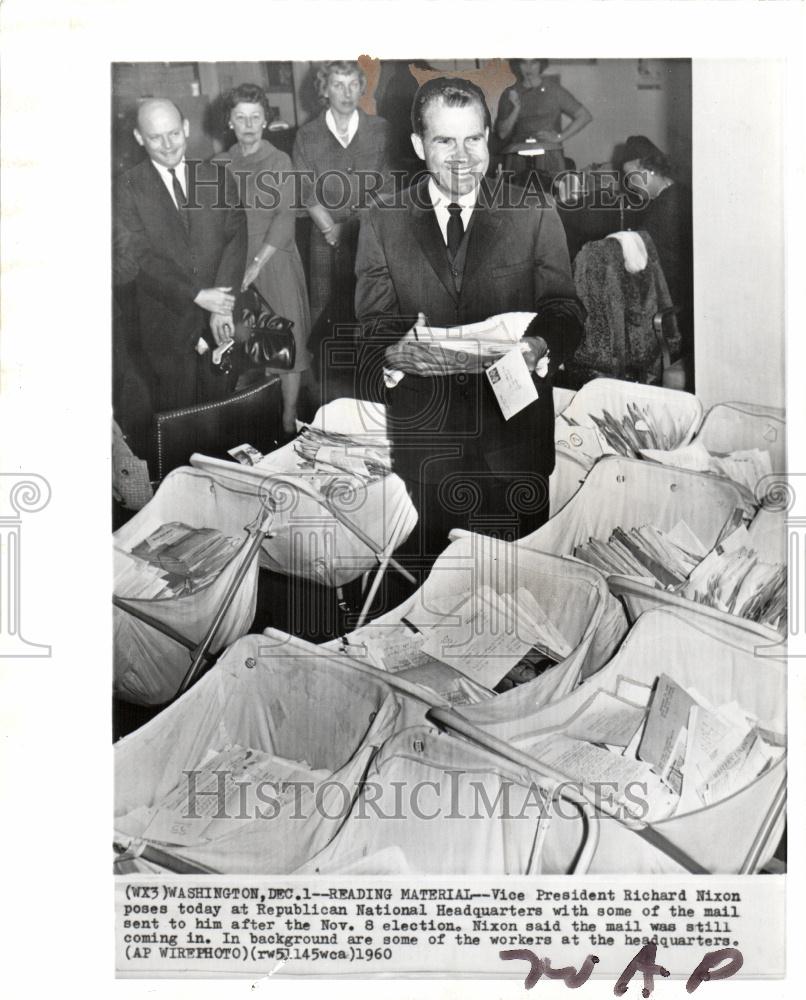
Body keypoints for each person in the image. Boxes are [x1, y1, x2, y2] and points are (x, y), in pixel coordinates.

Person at [355, 77, 585, 574]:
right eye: (444, 140)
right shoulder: (383, 220)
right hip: (430, 447)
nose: (461, 156)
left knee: (522, 591)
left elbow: (565, 308)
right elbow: (372, 325)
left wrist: (539, 344)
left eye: (473, 139)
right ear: (419, 146)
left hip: (515, 444)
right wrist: (393, 354)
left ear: (488, 137)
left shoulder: (533, 210)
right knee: (442, 595)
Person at [114, 98, 246, 415]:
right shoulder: (126, 188)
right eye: (155, 137)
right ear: (138, 137)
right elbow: (139, 257)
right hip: (166, 326)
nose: (167, 145)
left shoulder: (216, 175)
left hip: (221, 320)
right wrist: (198, 295)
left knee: (223, 411)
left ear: (186, 128)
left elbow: (236, 236)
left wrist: (223, 303)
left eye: (173, 133)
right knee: (179, 419)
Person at [219, 83, 312, 436]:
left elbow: (285, 217)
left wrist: (256, 263)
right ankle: (257, 416)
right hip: (234, 261)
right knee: (246, 344)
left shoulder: (279, 160)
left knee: (287, 341)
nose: (248, 124)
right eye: (240, 117)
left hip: (275, 256)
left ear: (265, 120)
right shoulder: (219, 165)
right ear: (229, 122)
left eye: (255, 117)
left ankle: (288, 420)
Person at [292, 60, 392, 376]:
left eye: (352, 84)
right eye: (338, 84)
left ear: (362, 87)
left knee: (370, 304)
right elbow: (304, 188)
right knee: (323, 307)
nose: (347, 93)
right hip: (323, 237)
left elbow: (387, 186)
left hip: (370, 232)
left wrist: (349, 227)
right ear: (324, 89)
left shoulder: (381, 129)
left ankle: (368, 376)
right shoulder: (307, 135)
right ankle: (327, 380)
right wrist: (329, 229)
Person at [621, 134, 693, 349]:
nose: (630, 186)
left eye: (631, 177)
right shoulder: (680, 193)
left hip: (673, 302)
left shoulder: (665, 206)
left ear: (647, 171)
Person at [495, 59, 592, 185]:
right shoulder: (510, 93)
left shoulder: (553, 90)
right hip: (517, 158)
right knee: (516, 199)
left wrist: (558, 137)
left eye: (534, 62)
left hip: (549, 156)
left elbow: (585, 116)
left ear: (541, 64)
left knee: (550, 198)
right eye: (524, 62)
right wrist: (516, 109)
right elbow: (502, 133)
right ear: (517, 65)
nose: (528, 68)